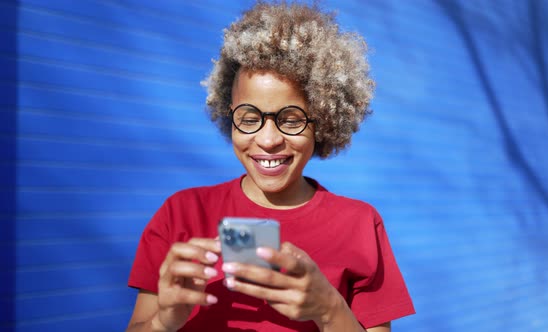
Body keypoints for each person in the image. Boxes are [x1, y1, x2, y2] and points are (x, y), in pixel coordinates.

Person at [126, 2, 414, 331]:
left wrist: (329, 308)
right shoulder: (181, 214)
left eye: (291, 120)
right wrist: (165, 320)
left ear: (322, 121)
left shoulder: (361, 224)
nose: (267, 140)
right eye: (249, 118)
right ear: (228, 113)